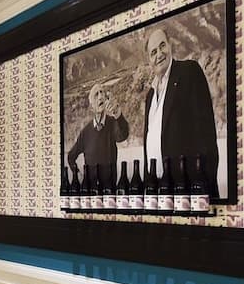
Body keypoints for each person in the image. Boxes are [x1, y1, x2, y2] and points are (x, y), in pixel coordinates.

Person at [142, 27, 220, 197]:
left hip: (188, 191)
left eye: (162, 46)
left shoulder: (189, 72)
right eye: (153, 52)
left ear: (170, 45)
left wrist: (203, 190)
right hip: (159, 192)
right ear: (149, 60)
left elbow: (206, 135)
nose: (159, 54)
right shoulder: (150, 95)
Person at [67, 82, 128, 183]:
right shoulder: (85, 133)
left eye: (102, 92)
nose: (100, 97)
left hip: (109, 189)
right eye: (96, 94)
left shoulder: (113, 122)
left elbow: (123, 136)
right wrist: (77, 174)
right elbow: (71, 157)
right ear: (91, 106)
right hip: (91, 189)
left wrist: (118, 115)